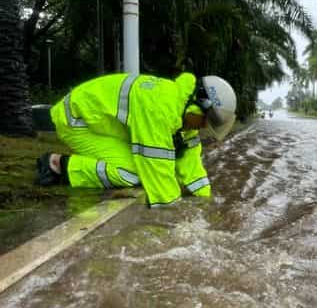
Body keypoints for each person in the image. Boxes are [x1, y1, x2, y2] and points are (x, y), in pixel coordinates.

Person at [35, 72, 237, 208]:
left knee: (147, 171)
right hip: (77, 121)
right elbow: (156, 169)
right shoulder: (160, 107)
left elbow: (191, 162)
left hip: (101, 124)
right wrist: (175, 214)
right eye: (205, 121)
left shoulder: (184, 112)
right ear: (199, 104)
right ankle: (59, 165)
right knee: (132, 173)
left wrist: (206, 201)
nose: (203, 127)